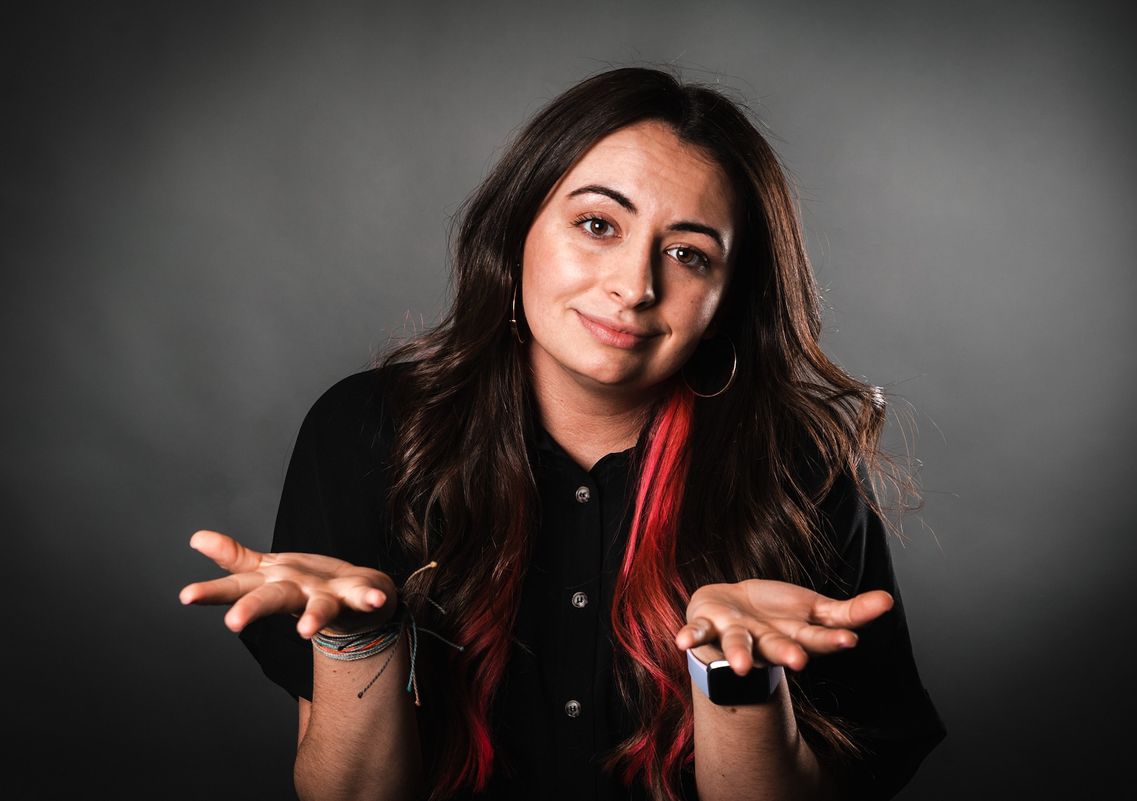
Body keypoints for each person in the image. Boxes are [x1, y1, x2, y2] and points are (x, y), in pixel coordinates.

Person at [180, 66, 946, 801]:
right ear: (519, 228)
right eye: (597, 224)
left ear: (726, 299)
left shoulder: (795, 468)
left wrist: (735, 677)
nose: (634, 286)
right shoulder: (367, 432)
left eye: (688, 254)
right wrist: (360, 639)